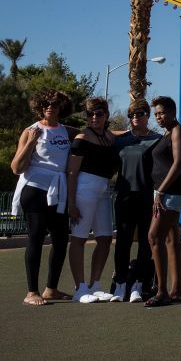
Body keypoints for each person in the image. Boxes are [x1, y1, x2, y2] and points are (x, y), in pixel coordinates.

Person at [10, 90, 74, 306]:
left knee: (61, 239)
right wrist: (31, 142)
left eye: (54, 104)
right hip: (35, 189)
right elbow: (16, 168)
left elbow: (97, 133)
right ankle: (31, 292)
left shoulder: (67, 131)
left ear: (61, 107)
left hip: (59, 191)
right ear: (39, 107)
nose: (50, 107)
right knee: (36, 237)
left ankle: (51, 289)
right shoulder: (31, 130)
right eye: (46, 104)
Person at [67, 97, 119, 303]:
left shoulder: (109, 137)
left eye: (99, 113)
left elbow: (124, 135)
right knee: (79, 238)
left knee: (105, 237)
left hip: (104, 190)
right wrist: (71, 203)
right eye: (90, 114)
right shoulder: (82, 137)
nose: (94, 117)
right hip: (84, 189)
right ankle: (79, 288)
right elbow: (71, 172)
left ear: (106, 115)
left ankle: (95, 284)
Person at [109, 98, 162, 303]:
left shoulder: (157, 139)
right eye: (131, 115)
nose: (135, 118)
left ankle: (139, 286)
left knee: (145, 243)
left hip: (148, 197)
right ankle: (121, 284)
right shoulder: (121, 140)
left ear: (147, 116)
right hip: (124, 196)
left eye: (139, 114)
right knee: (122, 241)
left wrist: (159, 194)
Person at [146, 95, 181, 307]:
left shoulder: (177, 131)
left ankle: (162, 292)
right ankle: (177, 290)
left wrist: (160, 192)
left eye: (162, 113)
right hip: (168, 191)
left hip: (173, 191)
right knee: (170, 238)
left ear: (173, 112)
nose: (158, 117)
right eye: (156, 114)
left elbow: (179, 163)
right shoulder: (166, 133)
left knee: (154, 236)